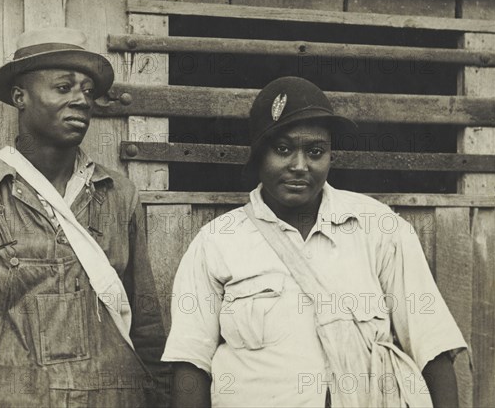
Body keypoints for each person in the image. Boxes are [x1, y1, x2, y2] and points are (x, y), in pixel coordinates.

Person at [0, 27, 168, 407]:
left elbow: (147, 323)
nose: (81, 100)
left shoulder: (118, 194)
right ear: (20, 96)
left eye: (87, 91)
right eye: (63, 87)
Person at [162, 77, 468, 407]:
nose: (299, 165)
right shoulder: (217, 242)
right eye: (283, 149)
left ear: (330, 156)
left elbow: (433, 347)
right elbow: (190, 365)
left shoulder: (380, 228)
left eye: (315, 151)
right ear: (258, 153)